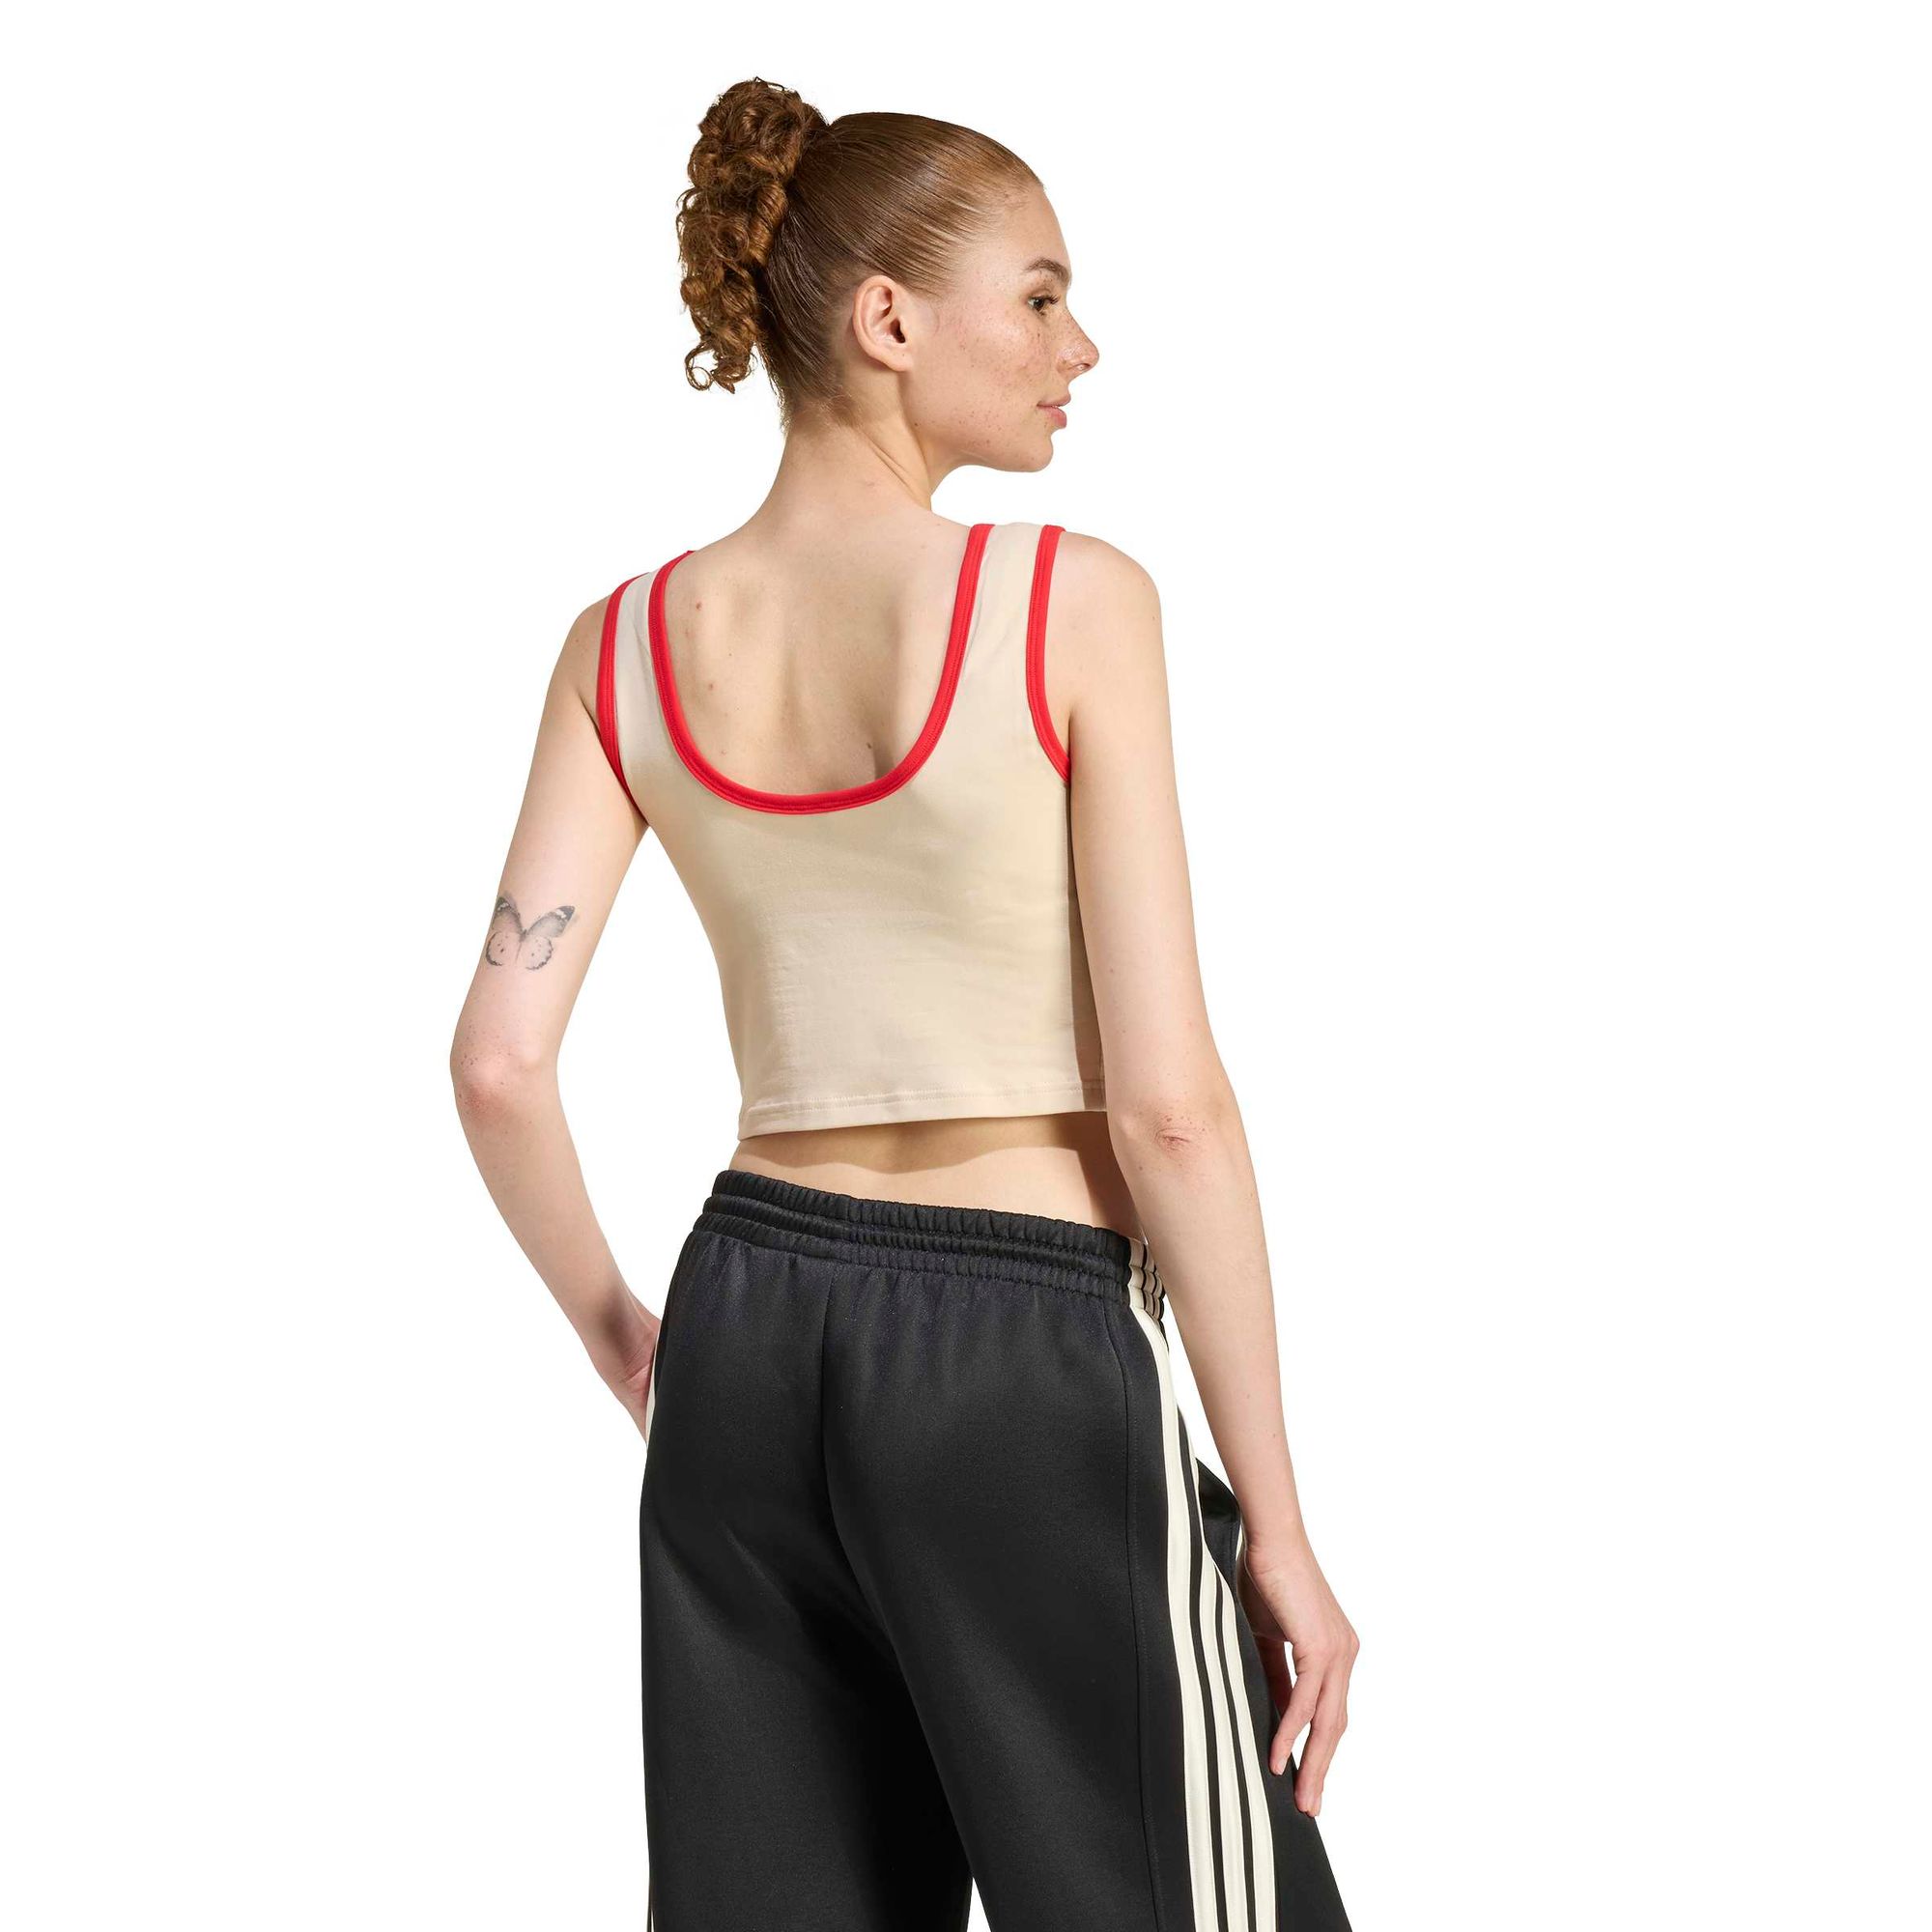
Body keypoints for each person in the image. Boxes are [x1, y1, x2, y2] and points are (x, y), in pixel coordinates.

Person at [450, 75, 1358, 1932]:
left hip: (746, 1334)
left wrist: (638, 1349)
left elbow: (498, 1064)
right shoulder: (1069, 603)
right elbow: (1168, 1106)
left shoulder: (625, 646)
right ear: (886, 317)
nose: (1079, 347)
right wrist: (1275, 1524)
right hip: (1017, 1348)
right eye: (1040, 296)